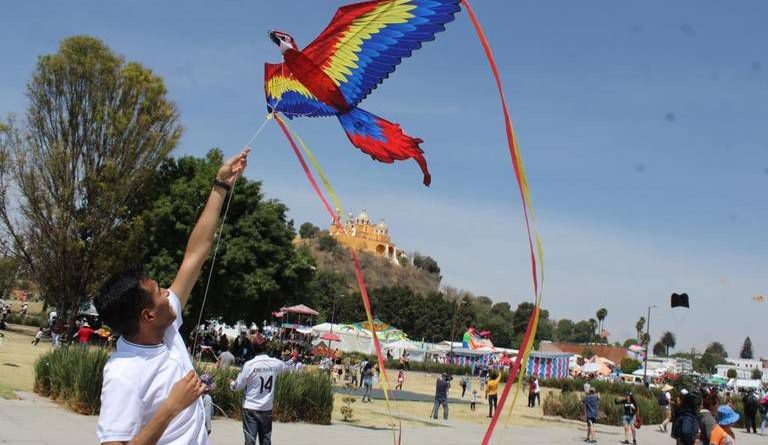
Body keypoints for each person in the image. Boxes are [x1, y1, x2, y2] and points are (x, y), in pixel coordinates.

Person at [93, 149, 249, 445]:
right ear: (147, 316)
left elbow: (195, 254)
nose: (169, 293)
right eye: (160, 293)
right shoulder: (123, 374)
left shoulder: (164, 328)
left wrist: (221, 185)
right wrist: (171, 408)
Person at [230, 333, 285, 445]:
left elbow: (237, 386)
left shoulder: (250, 365)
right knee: (266, 440)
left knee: (250, 440)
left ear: (253, 348)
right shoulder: (276, 363)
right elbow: (285, 366)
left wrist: (231, 383)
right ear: (266, 347)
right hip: (267, 408)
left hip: (251, 408)